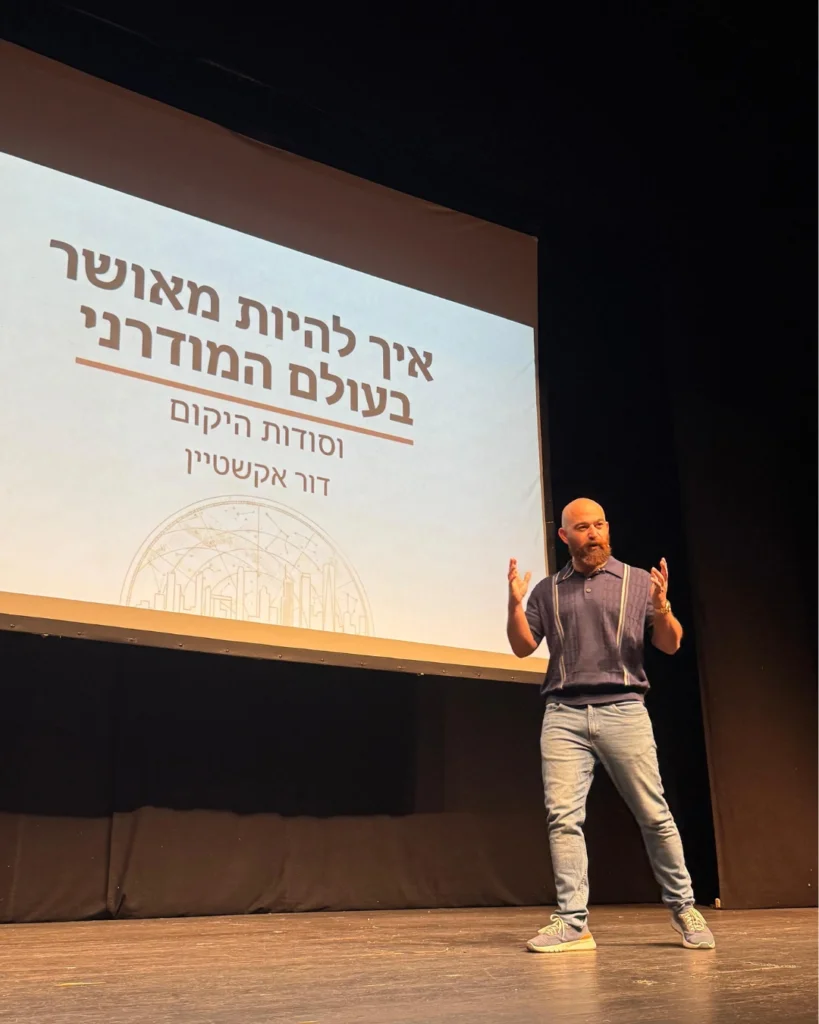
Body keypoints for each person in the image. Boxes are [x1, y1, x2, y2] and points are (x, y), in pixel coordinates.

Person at [507, 497, 715, 953]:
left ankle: (684, 908)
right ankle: (572, 923)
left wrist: (662, 608)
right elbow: (523, 647)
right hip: (563, 715)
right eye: (583, 527)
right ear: (564, 536)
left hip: (624, 710)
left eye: (599, 525)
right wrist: (515, 605)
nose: (594, 534)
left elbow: (670, 644)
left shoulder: (637, 582)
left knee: (654, 814)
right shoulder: (547, 590)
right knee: (563, 819)